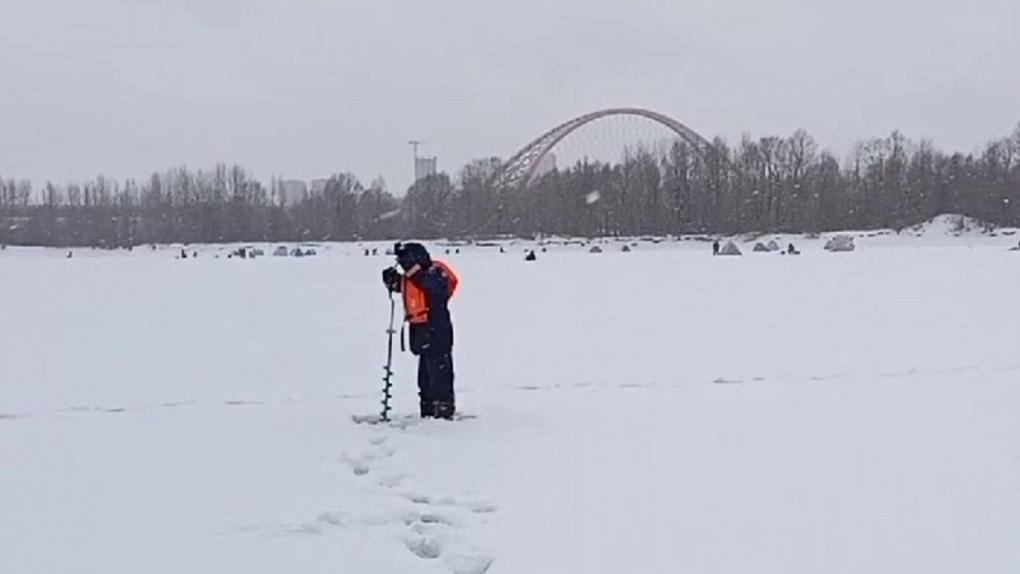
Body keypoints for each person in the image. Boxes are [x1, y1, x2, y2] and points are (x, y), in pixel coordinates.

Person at [382, 242, 459, 419]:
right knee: (425, 374)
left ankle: (443, 409)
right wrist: (392, 281)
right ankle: (428, 408)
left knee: (439, 369)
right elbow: (410, 288)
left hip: (437, 325)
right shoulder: (413, 277)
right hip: (419, 328)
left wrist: (410, 267)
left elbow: (430, 286)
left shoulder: (436, 272)